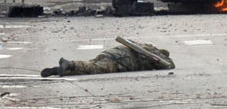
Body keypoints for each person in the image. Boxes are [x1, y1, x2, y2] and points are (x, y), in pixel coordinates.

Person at [41, 41, 174, 77]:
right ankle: (69, 64)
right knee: (94, 68)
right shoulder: (153, 54)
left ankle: (61, 70)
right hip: (120, 61)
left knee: (91, 67)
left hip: (112, 54)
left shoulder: (142, 46)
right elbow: (170, 65)